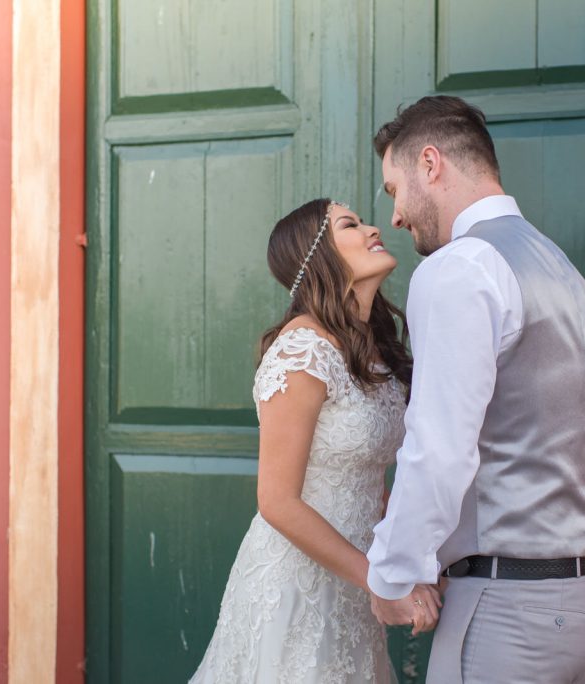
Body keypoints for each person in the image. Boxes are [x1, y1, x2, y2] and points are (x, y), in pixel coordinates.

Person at [365, 95, 585, 683]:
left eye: (394, 189)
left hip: (513, 611)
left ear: (431, 164)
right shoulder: (560, 268)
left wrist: (393, 575)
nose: (397, 216)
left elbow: (439, 449)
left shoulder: (460, 267)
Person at [189, 199, 441, 684]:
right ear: (316, 256)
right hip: (296, 587)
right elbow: (277, 502)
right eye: (350, 224)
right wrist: (379, 579)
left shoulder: (373, 351)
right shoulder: (303, 350)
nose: (372, 229)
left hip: (354, 585)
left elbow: (369, 485)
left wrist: (408, 564)